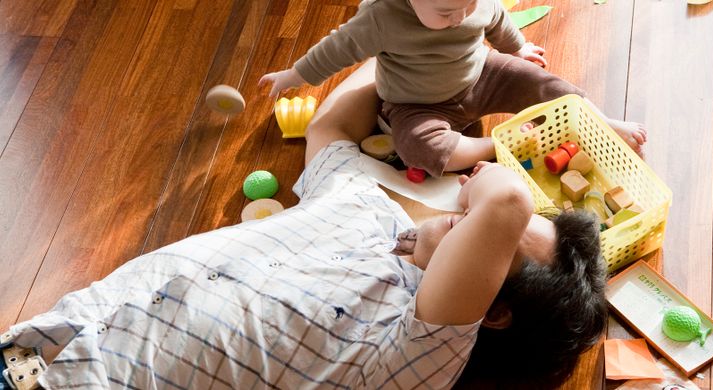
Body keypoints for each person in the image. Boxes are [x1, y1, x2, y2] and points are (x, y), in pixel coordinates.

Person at [2, 59, 606, 389]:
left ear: (491, 310)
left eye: (483, 237)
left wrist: (478, 160)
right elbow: (332, 129)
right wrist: (406, 57)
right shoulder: (370, 210)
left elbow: (505, 206)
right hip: (39, 342)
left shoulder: (419, 353)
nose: (465, 208)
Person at [259, 0, 647, 178]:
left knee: (546, 84)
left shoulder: (471, 4)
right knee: (417, 149)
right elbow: (335, 49)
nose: (461, 16)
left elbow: (496, 20)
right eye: (447, 13)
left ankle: (601, 120)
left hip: (482, 75)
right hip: (417, 104)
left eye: (467, 6)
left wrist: (518, 48)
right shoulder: (380, 17)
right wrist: (294, 75)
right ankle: (499, 146)